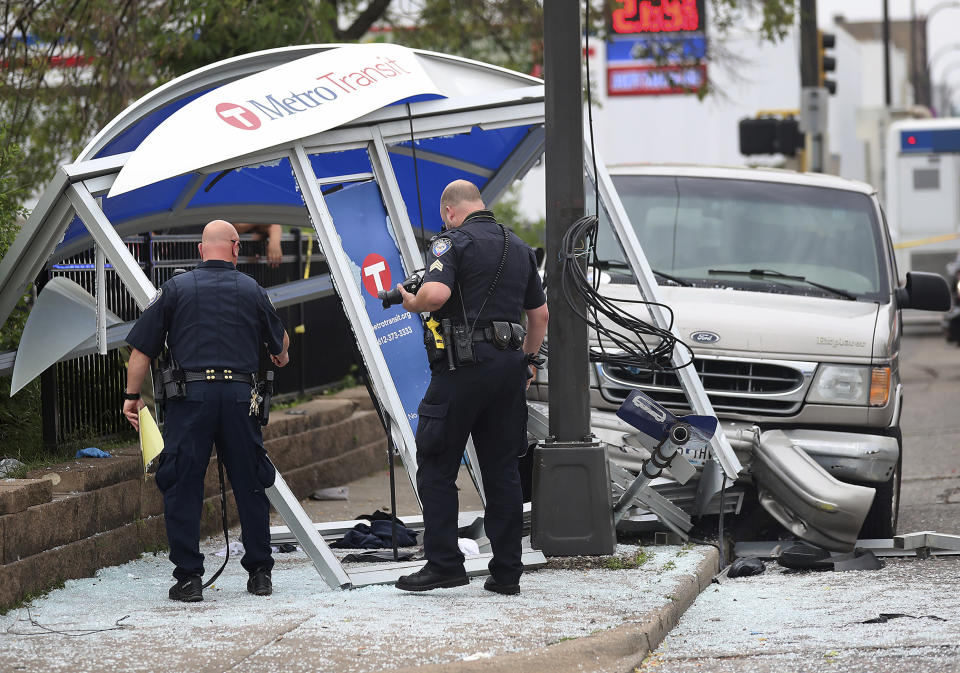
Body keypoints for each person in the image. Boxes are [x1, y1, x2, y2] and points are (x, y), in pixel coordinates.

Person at [121, 219, 290, 602]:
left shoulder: (174, 289)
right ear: (235, 248)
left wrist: (132, 396)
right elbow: (280, 350)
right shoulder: (253, 290)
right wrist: (276, 350)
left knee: (183, 483)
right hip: (239, 398)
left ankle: (189, 579)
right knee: (250, 481)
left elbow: (141, 351)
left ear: (201, 250)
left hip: (189, 399)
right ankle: (260, 575)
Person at [394, 180, 548, 595]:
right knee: (502, 470)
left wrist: (410, 300)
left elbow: (436, 294)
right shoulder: (519, 247)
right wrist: (529, 362)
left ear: (449, 211)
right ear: (480, 204)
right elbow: (540, 316)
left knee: (437, 460)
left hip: (463, 368)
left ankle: (444, 563)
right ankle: (507, 573)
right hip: (509, 367)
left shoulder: (452, 243)